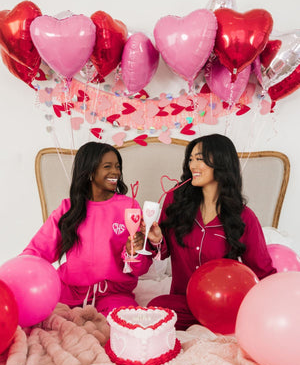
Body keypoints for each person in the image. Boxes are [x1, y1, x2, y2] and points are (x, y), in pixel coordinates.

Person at [146, 134, 276, 330]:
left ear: (221, 162)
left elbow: (262, 271)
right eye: (191, 159)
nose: (192, 165)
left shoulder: (243, 217)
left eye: (200, 159)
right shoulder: (175, 201)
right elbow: (163, 252)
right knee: (155, 308)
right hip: (184, 302)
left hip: (225, 306)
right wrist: (156, 240)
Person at [22, 142, 152, 316]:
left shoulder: (129, 207)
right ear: (90, 171)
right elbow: (39, 249)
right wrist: (18, 271)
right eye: (108, 166)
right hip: (69, 292)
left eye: (118, 166)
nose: (116, 172)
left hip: (114, 294)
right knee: (35, 316)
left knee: (126, 325)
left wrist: (134, 252)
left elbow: (141, 268)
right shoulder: (68, 208)